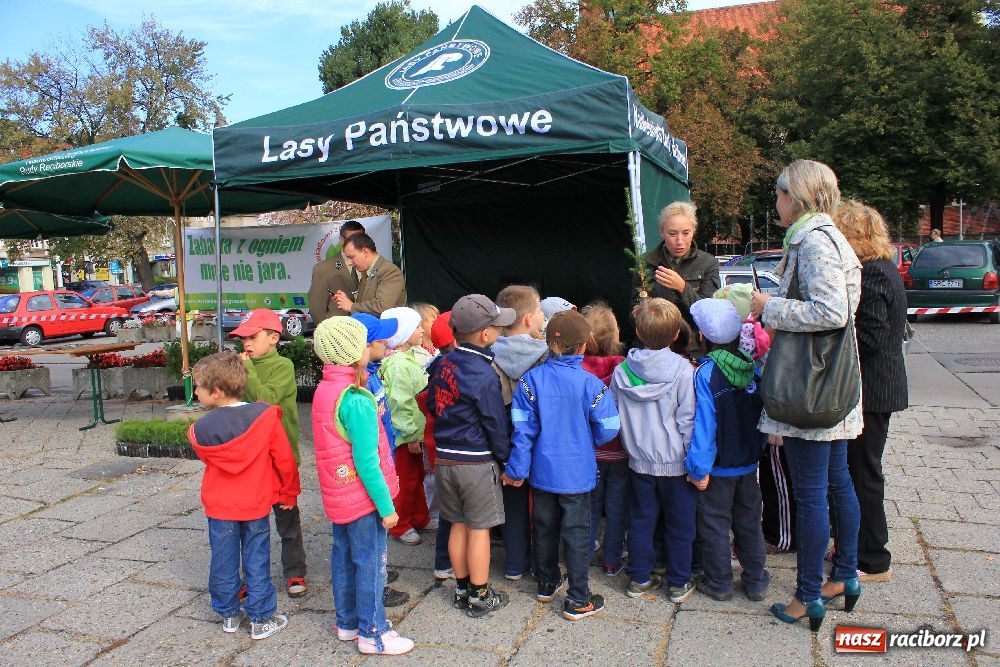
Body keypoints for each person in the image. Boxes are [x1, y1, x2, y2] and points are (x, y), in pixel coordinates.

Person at [749, 159, 863, 632]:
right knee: (838, 484)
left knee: (813, 493)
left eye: (778, 192)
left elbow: (831, 310)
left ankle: (807, 595)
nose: (774, 201)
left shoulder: (812, 240)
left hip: (810, 386)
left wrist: (767, 306)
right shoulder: (831, 236)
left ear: (795, 196)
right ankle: (845, 575)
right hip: (831, 382)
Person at [506, 310, 620, 620]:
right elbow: (609, 427)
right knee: (577, 533)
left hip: (541, 472)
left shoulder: (531, 381)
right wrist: (588, 438)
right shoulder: (591, 384)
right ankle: (579, 598)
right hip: (578, 473)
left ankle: (546, 583)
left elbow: (522, 429)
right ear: (583, 346)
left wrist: (516, 469)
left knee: (543, 528)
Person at [310, 317, 414, 655]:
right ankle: (374, 632)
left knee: (343, 556)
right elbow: (367, 462)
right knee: (371, 563)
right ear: (356, 351)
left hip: (339, 495)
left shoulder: (325, 389)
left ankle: (348, 622)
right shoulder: (356, 398)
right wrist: (387, 508)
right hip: (364, 498)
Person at [187, 352, 299, 640]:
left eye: (197, 386)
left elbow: (206, 455)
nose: (194, 391)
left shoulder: (201, 429)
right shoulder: (264, 416)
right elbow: (284, 459)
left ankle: (228, 615)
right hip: (256, 502)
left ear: (216, 392)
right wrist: (288, 492)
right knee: (257, 559)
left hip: (220, 505)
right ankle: (261, 617)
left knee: (222, 560)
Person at [427, 294, 515, 618]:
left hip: (445, 460)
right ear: (485, 334)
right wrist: (505, 459)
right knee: (480, 529)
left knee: (456, 525)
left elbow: (433, 405)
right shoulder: (484, 372)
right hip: (476, 461)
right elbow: (494, 421)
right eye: (497, 326)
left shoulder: (442, 363)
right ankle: (480, 595)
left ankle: (461, 588)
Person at [834, 200, 908, 583]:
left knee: (864, 473)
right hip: (876, 387)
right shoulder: (879, 269)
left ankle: (874, 558)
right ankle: (857, 543)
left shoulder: (876, 273)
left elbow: (873, 338)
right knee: (856, 469)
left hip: (874, 389)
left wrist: (832, 339)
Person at [611, 298, 697, 604]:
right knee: (680, 524)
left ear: (637, 330)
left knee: (641, 521)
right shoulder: (684, 371)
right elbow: (687, 419)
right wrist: (692, 457)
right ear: (676, 335)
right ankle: (678, 581)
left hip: (638, 461)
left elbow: (615, 411)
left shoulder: (622, 372)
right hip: (675, 463)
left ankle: (640, 577)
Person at [684, 299, 770, 602]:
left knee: (714, 525)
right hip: (748, 465)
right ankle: (756, 580)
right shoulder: (753, 368)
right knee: (748, 522)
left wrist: (698, 468)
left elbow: (704, 428)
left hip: (717, 469)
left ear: (702, 336)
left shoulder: (705, 374)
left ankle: (719, 583)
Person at [230, 309, 307, 599]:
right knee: (252, 524)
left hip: (280, 457)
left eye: (252, 336)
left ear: (274, 338)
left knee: (287, 518)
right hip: (251, 458)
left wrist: (246, 372)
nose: (246, 343)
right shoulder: (240, 366)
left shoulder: (282, 366)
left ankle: (295, 571)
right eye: (243, 338)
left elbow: (267, 401)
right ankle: (254, 577)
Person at [350, 312, 411, 609]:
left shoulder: (373, 372)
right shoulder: (362, 384)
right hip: (373, 465)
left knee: (378, 531)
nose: (387, 341)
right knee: (373, 529)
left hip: (385, 457)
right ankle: (376, 584)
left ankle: (380, 570)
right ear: (364, 345)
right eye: (381, 338)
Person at [492, 285, 549, 581]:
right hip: (538, 436)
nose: (542, 316)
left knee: (512, 500)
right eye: (540, 311)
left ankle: (514, 564)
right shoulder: (546, 354)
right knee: (542, 503)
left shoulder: (490, 354)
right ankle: (543, 565)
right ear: (529, 319)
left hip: (503, 435)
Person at [580, 301, 628, 577]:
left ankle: (584, 555)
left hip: (589, 453)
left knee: (590, 508)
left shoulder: (577, 368)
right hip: (619, 451)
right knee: (617, 509)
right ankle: (611, 561)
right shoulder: (624, 367)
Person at [378, 306, 431, 545]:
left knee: (416, 476)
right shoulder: (399, 363)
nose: (422, 330)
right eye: (417, 326)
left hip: (413, 433)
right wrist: (409, 435)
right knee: (406, 479)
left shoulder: (407, 358)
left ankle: (418, 517)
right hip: (404, 436)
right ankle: (400, 524)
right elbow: (400, 402)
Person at [638, 201, 720, 337]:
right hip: (655, 343)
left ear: (694, 231)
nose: (680, 241)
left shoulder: (708, 263)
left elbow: (710, 315)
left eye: (686, 233)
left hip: (693, 346)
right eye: (672, 234)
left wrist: (683, 287)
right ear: (662, 232)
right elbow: (633, 309)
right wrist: (638, 313)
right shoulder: (646, 263)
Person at [427, 311, 458, 581]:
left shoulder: (436, 365)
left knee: (449, 507)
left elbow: (430, 405)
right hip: (460, 450)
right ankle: (446, 561)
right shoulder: (454, 366)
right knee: (456, 511)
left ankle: (443, 560)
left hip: (442, 446)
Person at [332, 233, 406, 316]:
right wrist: (345, 301)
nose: (349, 263)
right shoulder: (367, 271)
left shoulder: (389, 271)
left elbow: (382, 307)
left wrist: (351, 306)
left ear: (365, 252)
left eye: (351, 257)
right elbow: (364, 303)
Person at [308, 220, 365, 323]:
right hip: (339, 331)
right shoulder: (324, 268)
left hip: (370, 331)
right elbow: (317, 309)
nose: (356, 243)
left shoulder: (372, 266)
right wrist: (329, 332)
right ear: (341, 240)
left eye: (360, 239)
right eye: (351, 239)